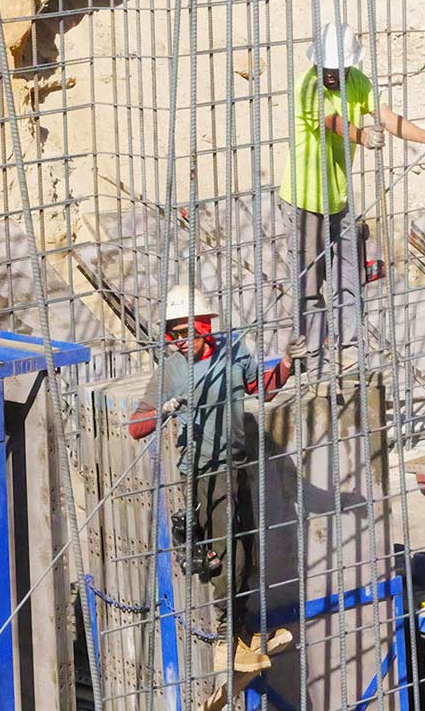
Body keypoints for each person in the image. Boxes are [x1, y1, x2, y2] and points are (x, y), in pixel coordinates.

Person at [128, 284, 306, 672]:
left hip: (236, 465)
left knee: (249, 553)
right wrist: (163, 409)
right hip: (204, 473)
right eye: (172, 335)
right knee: (230, 558)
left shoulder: (232, 350)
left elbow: (264, 388)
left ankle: (239, 634)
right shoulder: (171, 371)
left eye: (184, 332)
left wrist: (288, 364)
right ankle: (228, 640)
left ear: (205, 326)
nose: (177, 342)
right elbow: (135, 427)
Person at [279, 21, 425, 362]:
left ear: (349, 66)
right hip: (304, 200)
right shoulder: (308, 85)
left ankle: (349, 347)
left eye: (337, 69)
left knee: (349, 272)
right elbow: (332, 122)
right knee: (309, 281)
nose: (330, 74)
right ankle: (313, 354)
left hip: (338, 198)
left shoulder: (357, 82)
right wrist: (362, 136)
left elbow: (387, 117)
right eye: (326, 67)